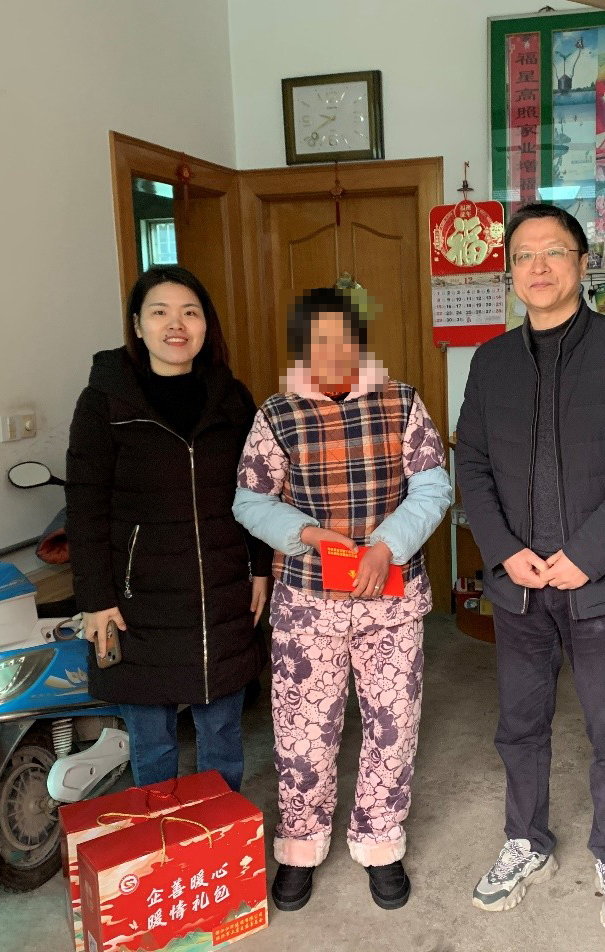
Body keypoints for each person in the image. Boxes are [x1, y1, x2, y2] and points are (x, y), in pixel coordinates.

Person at [456, 203, 605, 936]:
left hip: (599, 582)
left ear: (582, 264)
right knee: (519, 724)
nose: (538, 266)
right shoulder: (491, 362)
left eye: (553, 251)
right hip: (518, 583)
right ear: (511, 274)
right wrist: (502, 550)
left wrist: (586, 555)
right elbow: (472, 465)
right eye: (523, 255)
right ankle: (526, 839)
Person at [232, 287, 452, 913]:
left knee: (393, 726)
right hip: (307, 603)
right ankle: (300, 847)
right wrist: (308, 535)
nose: (332, 351)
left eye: (343, 337)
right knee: (303, 733)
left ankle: (381, 843)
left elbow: (433, 488)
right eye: (317, 339)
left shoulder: (402, 401)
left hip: (391, 600)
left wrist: (386, 546)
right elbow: (250, 501)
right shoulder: (277, 414)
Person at [65, 265, 272, 795]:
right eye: (160, 312)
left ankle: (219, 836)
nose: (176, 325)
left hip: (221, 590)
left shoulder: (231, 398)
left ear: (206, 326)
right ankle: (161, 836)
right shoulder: (105, 401)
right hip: (138, 601)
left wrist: (260, 567)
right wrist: (96, 599)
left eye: (190, 312)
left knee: (221, 733)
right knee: (153, 742)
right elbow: (84, 508)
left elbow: (256, 490)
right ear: (137, 325)